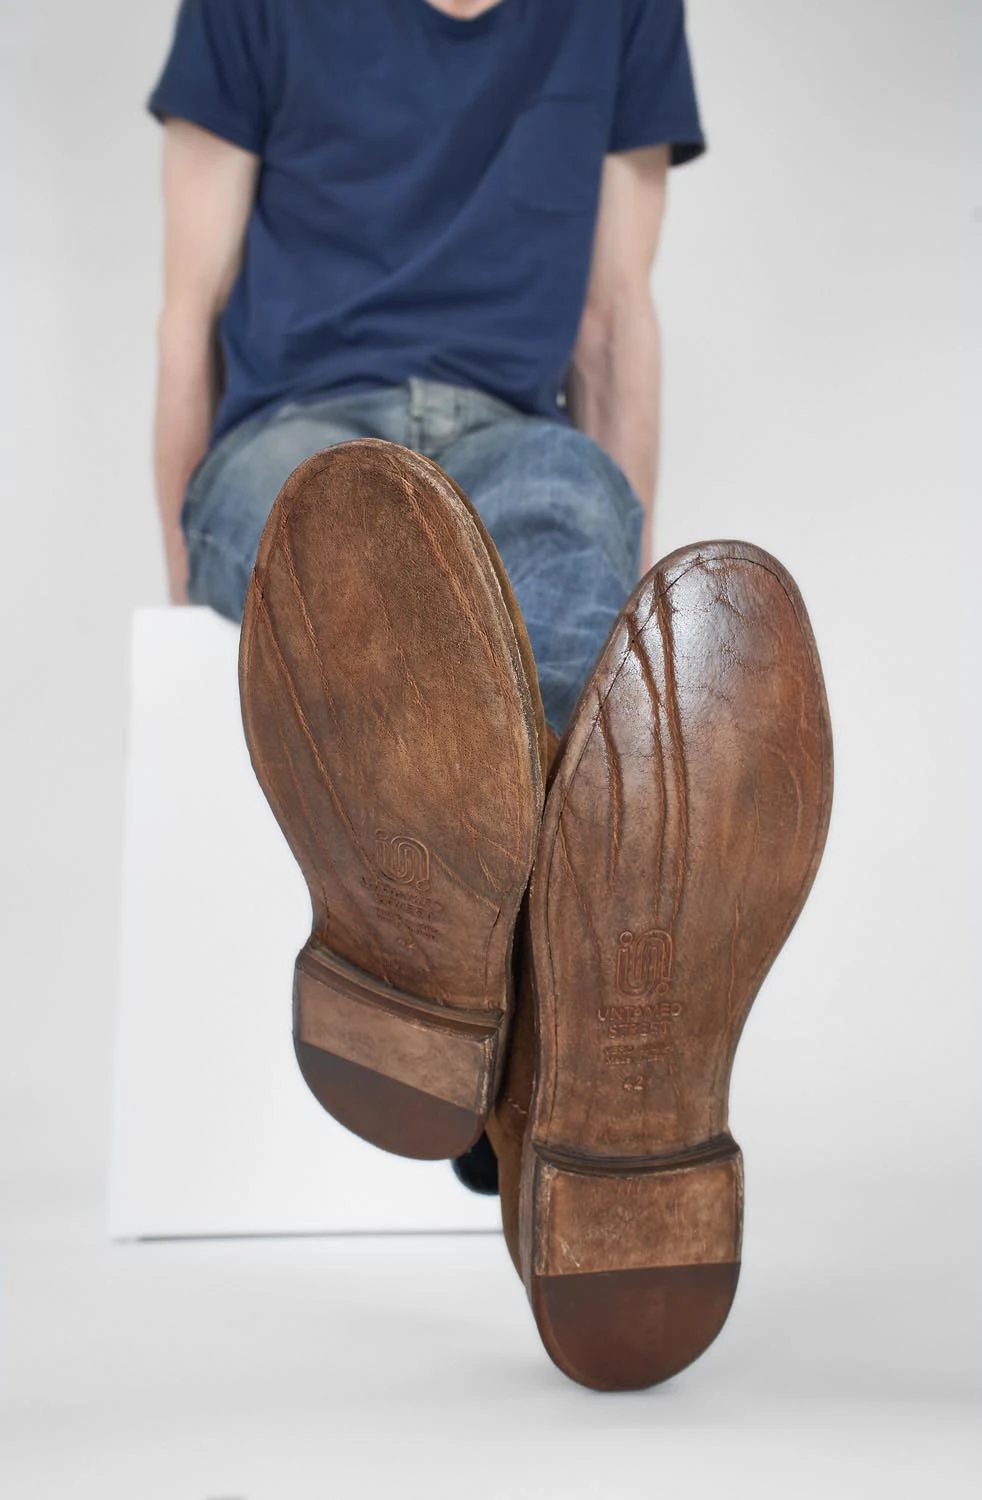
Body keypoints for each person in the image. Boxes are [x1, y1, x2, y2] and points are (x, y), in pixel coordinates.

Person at [145, 1, 832, 1389]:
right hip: (294, 438)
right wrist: (190, 584)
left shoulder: (619, 10)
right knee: (360, 545)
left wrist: (626, 606)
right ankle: (577, 1127)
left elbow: (614, 311)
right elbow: (189, 302)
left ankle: (508, 1045)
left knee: (584, 716)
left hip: (522, 443)